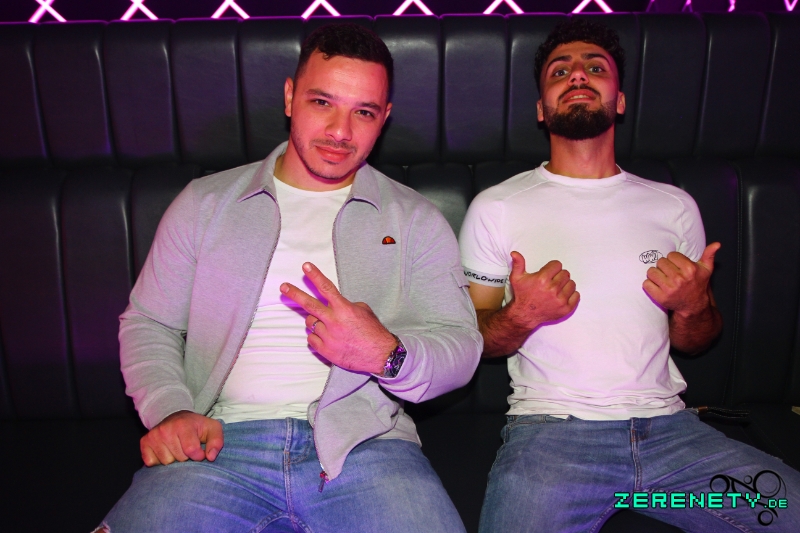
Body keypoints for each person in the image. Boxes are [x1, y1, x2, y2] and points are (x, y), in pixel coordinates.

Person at [97, 23, 480, 533]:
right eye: (323, 102)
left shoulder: (415, 219)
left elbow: (462, 347)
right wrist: (170, 411)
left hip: (366, 444)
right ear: (289, 97)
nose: (341, 131)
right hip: (216, 442)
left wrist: (385, 354)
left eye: (363, 112)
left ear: (384, 118)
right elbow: (149, 322)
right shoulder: (205, 203)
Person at [459, 18, 800, 533]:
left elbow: (697, 340)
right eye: (559, 72)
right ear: (541, 109)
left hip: (675, 443)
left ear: (619, 101)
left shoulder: (674, 206)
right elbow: (472, 339)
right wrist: (522, 315)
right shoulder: (497, 207)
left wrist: (693, 305)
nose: (578, 75)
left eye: (595, 68)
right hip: (553, 439)